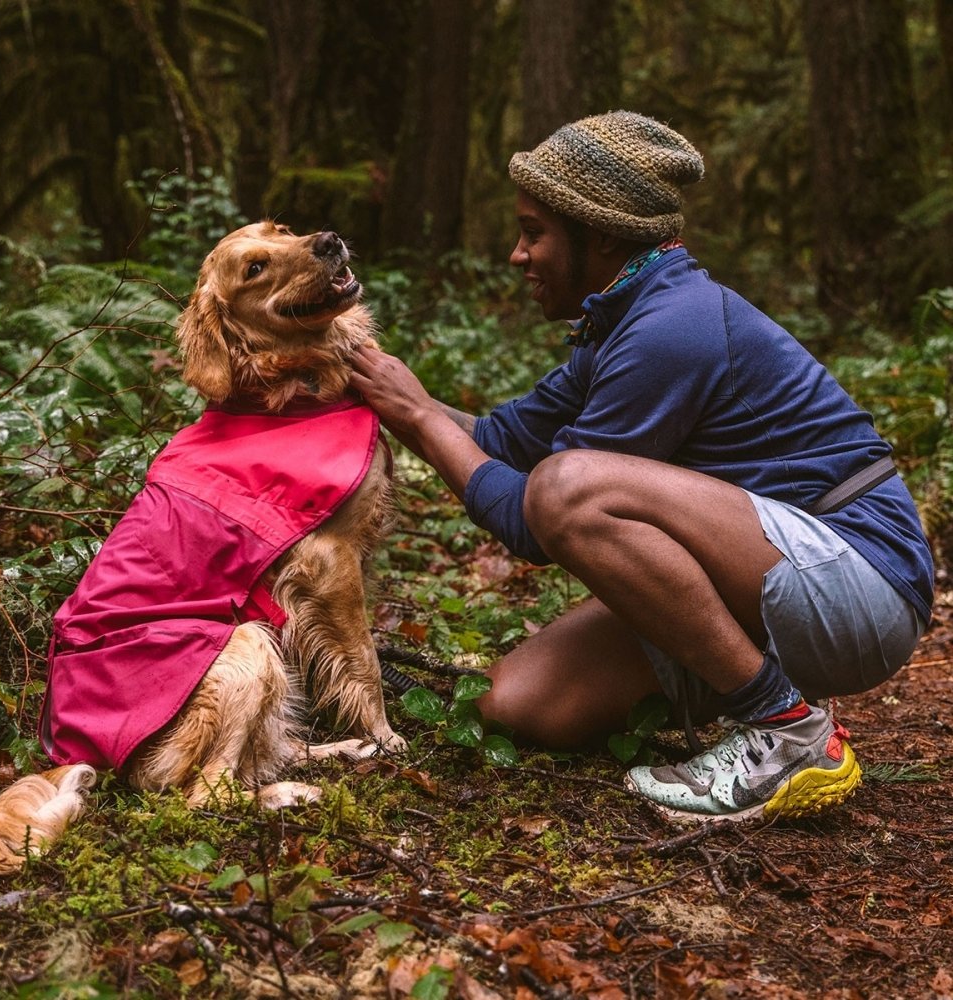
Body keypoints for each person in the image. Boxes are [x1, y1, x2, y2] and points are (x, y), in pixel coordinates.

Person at [349, 110, 933, 824]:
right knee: (518, 702)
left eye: (532, 232)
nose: (516, 254)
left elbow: (539, 515)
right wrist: (391, 394)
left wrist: (415, 418)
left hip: (863, 584)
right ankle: (769, 688)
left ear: (596, 234)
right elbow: (502, 439)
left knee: (569, 488)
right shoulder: (624, 321)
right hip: (780, 579)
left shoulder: (673, 328)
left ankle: (785, 732)